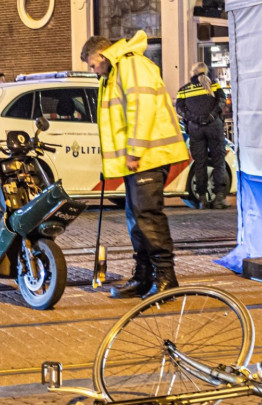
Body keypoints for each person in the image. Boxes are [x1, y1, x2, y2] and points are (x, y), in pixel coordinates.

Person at [81, 31, 190, 299]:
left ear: (103, 54)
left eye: (93, 64)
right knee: (137, 218)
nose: (94, 71)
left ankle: (166, 278)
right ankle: (144, 275)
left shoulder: (130, 64)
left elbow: (142, 109)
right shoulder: (116, 71)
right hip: (140, 161)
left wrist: (135, 150)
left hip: (149, 157)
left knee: (147, 217)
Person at [176, 62, 229, 209]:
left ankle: (202, 199)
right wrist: (211, 116)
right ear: (206, 72)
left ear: (192, 73)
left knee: (200, 164)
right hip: (214, 128)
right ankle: (219, 198)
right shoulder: (214, 86)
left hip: (195, 129)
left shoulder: (184, 90)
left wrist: (195, 118)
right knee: (219, 162)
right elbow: (221, 101)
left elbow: (180, 109)